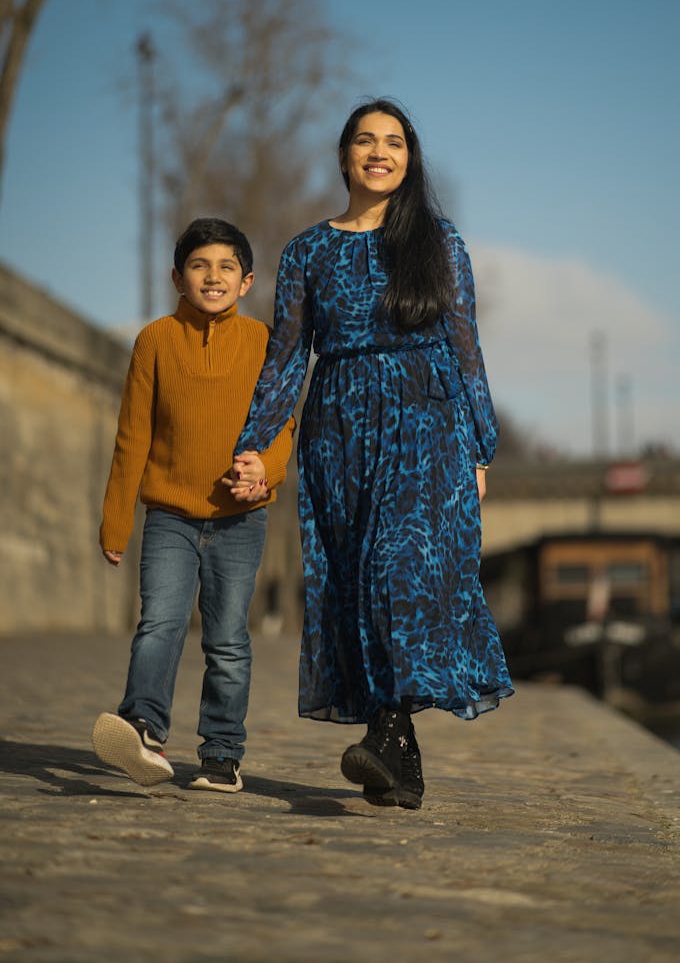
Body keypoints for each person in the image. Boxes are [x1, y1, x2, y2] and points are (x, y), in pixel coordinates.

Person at [231, 99, 514, 810]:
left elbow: (466, 348)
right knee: (353, 582)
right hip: (339, 430)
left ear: (409, 159)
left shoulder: (439, 243)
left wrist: (482, 447)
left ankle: (385, 733)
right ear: (345, 156)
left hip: (427, 425)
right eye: (366, 140)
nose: (379, 152)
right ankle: (402, 767)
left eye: (394, 142)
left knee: (399, 570)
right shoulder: (306, 253)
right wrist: (254, 443)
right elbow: (287, 361)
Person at [92, 218, 294, 793]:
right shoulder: (154, 340)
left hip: (240, 518)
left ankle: (222, 753)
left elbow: (281, 426)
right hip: (170, 517)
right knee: (159, 622)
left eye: (227, 266)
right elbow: (132, 435)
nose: (213, 276)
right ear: (177, 277)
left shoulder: (264, 342)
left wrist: (267, 471)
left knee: (228, 638)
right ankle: (144, 731)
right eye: (200, 266)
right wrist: (115, 518)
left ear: (248, 280)